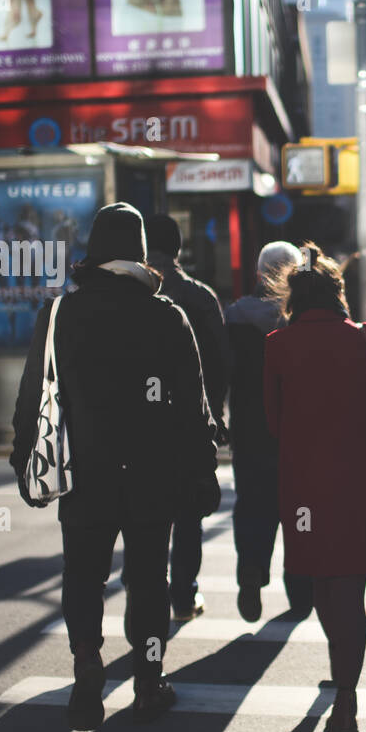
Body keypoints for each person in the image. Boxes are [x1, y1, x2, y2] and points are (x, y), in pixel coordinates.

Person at [10, 202, 220, 730]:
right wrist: (202, 469)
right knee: (149, 579)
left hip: (85, 473)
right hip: (155, 473)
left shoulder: (59, 315)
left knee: (83, 575)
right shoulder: (166, 315)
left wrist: (23, 460)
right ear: (141, 254)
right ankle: (149, 681)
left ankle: (86, 671)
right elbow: (195, 408)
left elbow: (33, 394)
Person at [263, 243, 366, 732]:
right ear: (337, 293)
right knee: (351, 587)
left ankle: (339, 669)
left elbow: (272, 421)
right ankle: (347, 691)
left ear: (294, 299)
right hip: (357, 482)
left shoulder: (277, 346)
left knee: (322, 582)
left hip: (303, 486)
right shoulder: (365, 338)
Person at [146, 213, 229, 621]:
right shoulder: (201, 297)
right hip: (193, 425)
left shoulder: (134, 295)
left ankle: (146, 589)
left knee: (146, 514)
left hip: (143, 427)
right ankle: (183, 595)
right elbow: (220, 362)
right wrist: (216, 415)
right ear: (178, 249)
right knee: (188, 513)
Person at [226, 241, 313, 622]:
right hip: (296, 432)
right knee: (300, 508)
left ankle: (251, 570)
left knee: (252, 505)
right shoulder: (302, 320)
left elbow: (222, 373)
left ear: (259, 274)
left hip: (248, 427)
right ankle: (300, 586)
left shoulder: (234, 316)